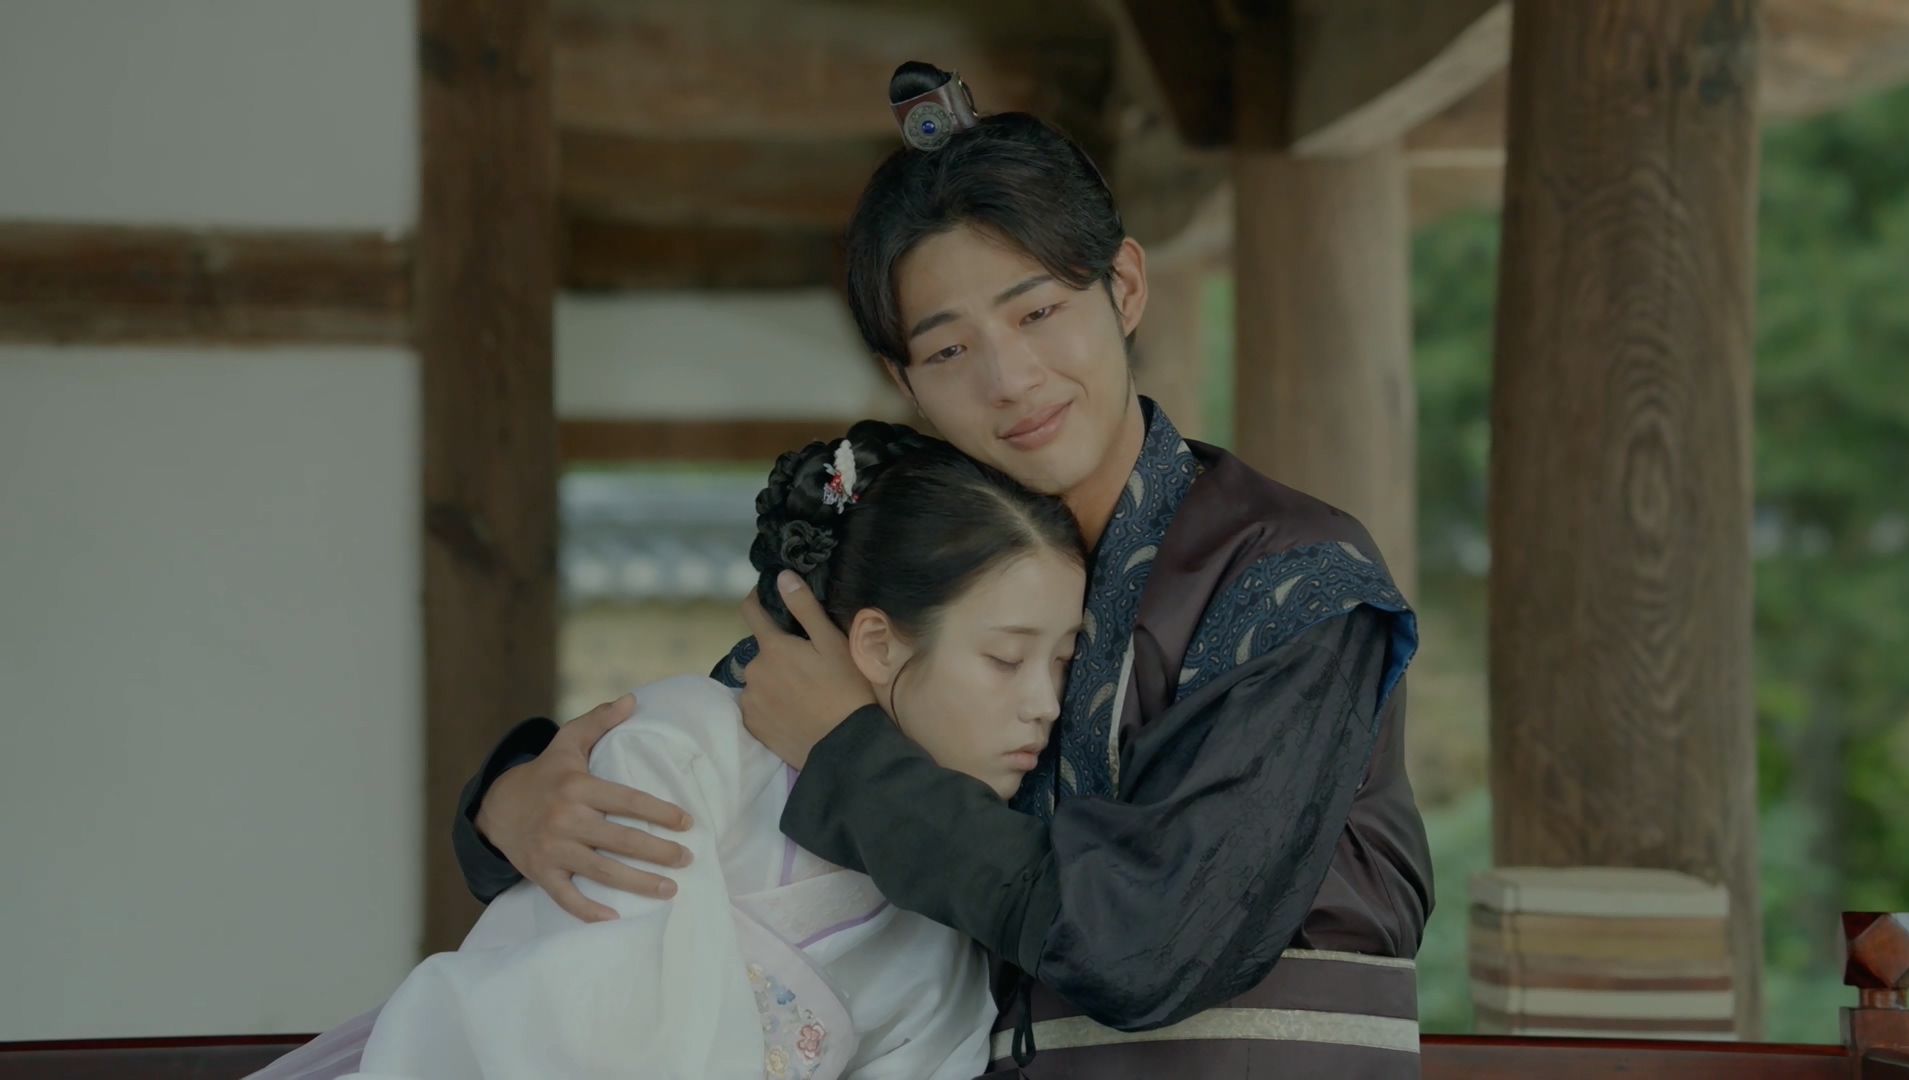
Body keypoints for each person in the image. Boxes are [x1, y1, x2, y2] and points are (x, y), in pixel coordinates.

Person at [456, 62, 1433, 1078]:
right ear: (904, 381)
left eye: (1037, 313)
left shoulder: (1291, 577)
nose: (1010, 379)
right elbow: (731, 739)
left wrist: (849, 752)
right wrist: (507, 807)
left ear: (1125, 287)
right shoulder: (926, 564)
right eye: (949, 351)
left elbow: (1151, 944)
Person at [253, 425, 1087, 1079]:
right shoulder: (684, 745)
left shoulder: (943, 928)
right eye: (1005, 658)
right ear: (876, 642)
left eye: (1063, 662)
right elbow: (598, 1039)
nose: (1045, 703)